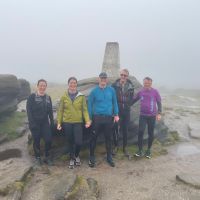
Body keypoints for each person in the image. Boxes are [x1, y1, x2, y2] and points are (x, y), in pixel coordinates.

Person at [57, 77, 91, 169]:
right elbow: (60, 110)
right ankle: (72, 159)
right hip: (67, 122)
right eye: (71, 83)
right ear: (68, 84)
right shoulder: (64, 96)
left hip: (78, 122)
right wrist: (59, 123)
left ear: (76, 84)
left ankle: (76, 155)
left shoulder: (81, 96)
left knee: (79, 142)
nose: (72, 85)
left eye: (74, 83)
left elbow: (84, 110)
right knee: (70, 141)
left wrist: (87, 120)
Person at [88, 72, 119, 167]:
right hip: (97, 118)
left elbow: (114, 102)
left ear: (107, 79)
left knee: (108, 138)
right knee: (93, 138)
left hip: (108, 118)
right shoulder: (94, 91)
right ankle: (92, 156)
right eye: (102, 78)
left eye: (105, 78)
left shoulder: (111, 90)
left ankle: (109, 156)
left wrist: (116, 114)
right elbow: (89, 105)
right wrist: (89, 118)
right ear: (99, 79)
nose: (103, 80)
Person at [132, 77, 162, 158]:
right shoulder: (141, 92)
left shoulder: (155, 92)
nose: (147, 84)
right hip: (143, 115)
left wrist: (159, 113)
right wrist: (125, 105)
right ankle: (140, 150)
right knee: (141, 131)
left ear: (151, 83)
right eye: (145, 83)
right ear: (143, 83)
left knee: (150, 133)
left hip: (152, 116)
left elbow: (159, 103)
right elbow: (133, 100)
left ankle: (148, 150)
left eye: (148, 83)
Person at [26, 79, 54, 166]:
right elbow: (29, 111)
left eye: (44, 85)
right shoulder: (32, 97)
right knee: (36, 141)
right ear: (37, 86)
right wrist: (32, 123)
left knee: (48, 140)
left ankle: (47, 157)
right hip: (35, 123)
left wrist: (52, 122)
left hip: (45, 123)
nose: (42, 87)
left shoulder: (48, 97)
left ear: (46, 87)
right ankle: (38, 158)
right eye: (41, 85)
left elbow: (50, 111)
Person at [112, 69, 134, 156]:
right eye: (122, 75)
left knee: (125, 130)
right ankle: (116, 146)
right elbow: (112, 98)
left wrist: (128, 105)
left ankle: (125, 148)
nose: (123, 77)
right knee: (116, 129)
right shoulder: (114, 85)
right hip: (118, 111)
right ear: (120, 75)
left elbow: (131, 98)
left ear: (127, 76)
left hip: (126, 111)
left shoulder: (130, 86)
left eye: (125, 75)